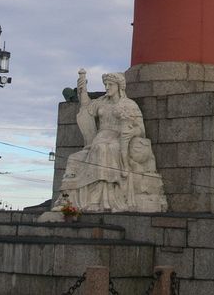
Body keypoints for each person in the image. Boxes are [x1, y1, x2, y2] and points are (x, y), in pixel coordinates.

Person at [54, 70, 166, 212]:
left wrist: (131, 132)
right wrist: (82, 89)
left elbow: (141, 130)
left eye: (110, 84)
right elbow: (86, 106)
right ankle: (67, 201)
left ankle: (101, 199)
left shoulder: (130, 105)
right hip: (99, 139)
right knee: (74, 158)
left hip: (117, 140)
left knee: (103, 149)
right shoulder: (101, 102)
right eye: (105, 84)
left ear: (119, 86)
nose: (107, 87)